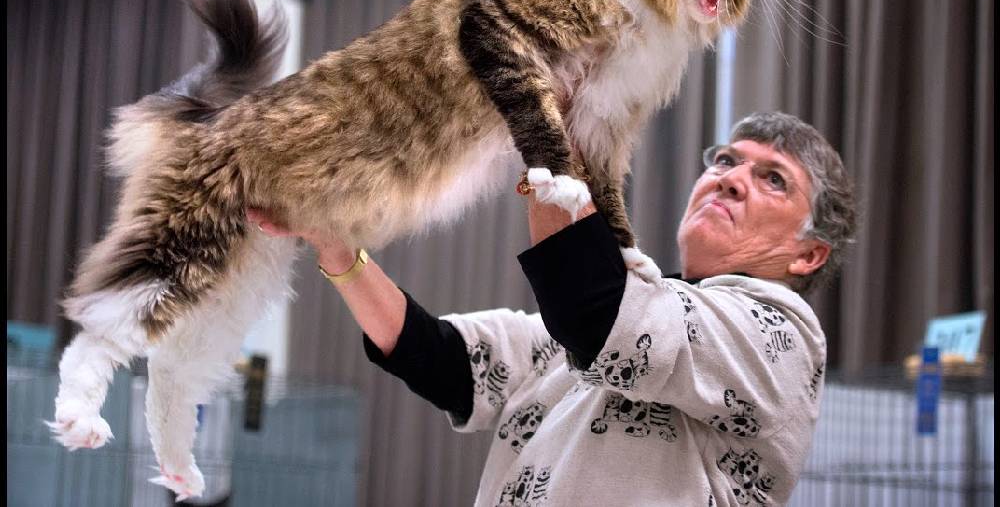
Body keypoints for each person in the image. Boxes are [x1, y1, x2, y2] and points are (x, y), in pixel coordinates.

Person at [248, 111, 857, 506]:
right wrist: (337, 250)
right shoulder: (648, 314)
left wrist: (546, 119)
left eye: (773, 178)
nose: (730, 178)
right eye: (726, 160)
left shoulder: (780, 332)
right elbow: (441, 358)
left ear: (808, 254)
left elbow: (597, 311)